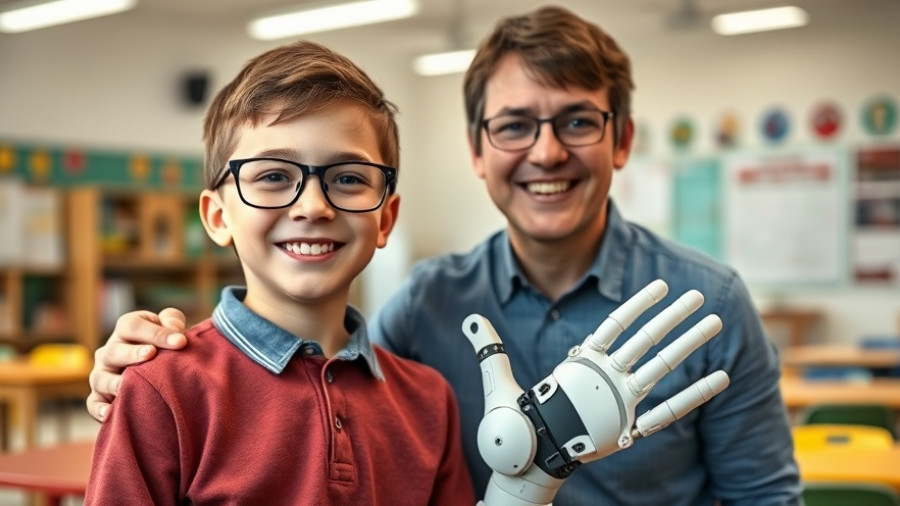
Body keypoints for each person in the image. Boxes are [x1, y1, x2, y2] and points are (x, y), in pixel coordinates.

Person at [87, 5, 801, 505]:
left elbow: (765, 498)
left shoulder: (707, 304)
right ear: (477, 151)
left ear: (622, 141)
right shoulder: (426, 306)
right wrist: (133, 372)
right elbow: (319, 376)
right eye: (515, 126)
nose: (547, 152)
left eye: (577, 122)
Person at [84, 40, 475, 505]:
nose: (313, 206)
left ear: (385, 219)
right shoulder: (163, 388)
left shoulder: (429, 402)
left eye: (348, 178)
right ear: (218, 217)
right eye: (273, 176)